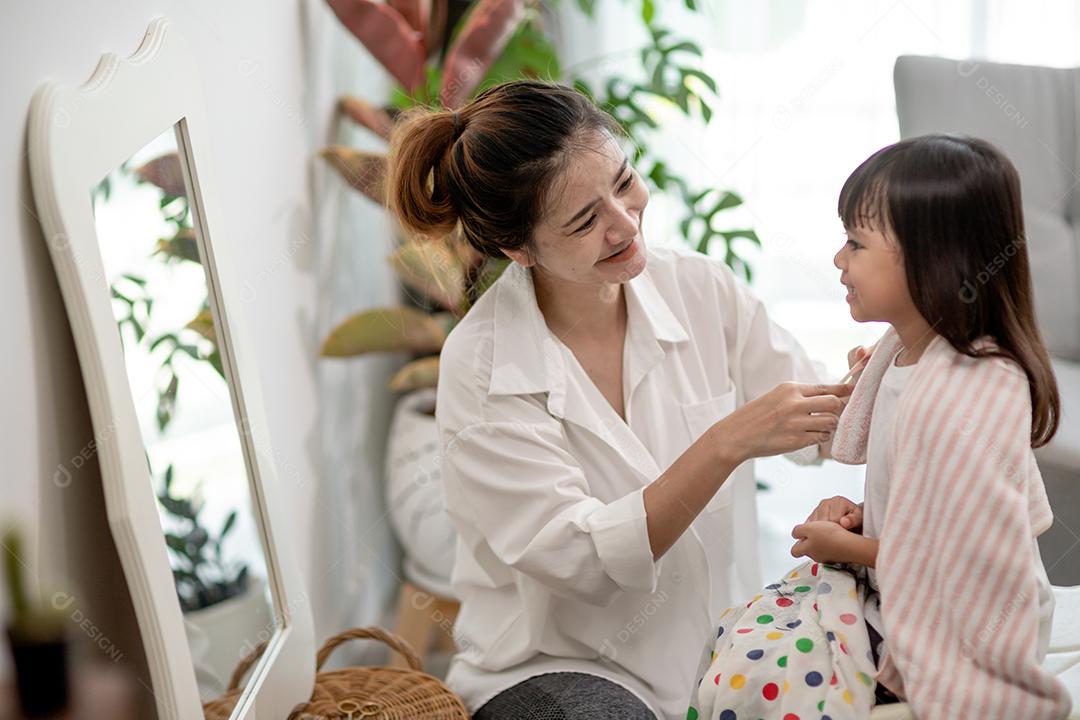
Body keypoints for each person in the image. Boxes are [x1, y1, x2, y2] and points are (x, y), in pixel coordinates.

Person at [386, 80, 851, 720]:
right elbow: (585, 561)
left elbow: (821, 422)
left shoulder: (699, 288)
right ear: (516, 249)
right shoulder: (482, 365)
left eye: (624, 182)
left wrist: (891, 375)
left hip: (728, 646)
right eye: (584, 220)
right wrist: (726, 443)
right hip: (562, 667)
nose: (625, 223)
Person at [702, 134, 1069, 719]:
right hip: (892, 581)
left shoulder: (970, 391)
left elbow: (965, 559)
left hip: (967, 621)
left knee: (761, 667)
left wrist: (850, 547)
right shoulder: (902, 353)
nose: (837, 260)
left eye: (855, 242)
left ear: (933, 258)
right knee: (740, 637)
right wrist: (860, 520)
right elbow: (922, 506)